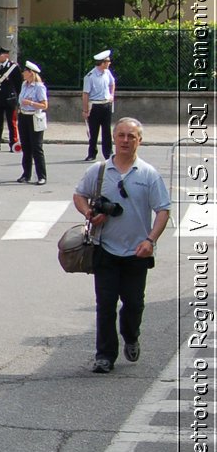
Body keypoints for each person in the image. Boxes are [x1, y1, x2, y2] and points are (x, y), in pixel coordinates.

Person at [72, 118, 171, 373]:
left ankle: (131, 335)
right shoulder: (99, 171)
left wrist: (150, 240)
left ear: (140, 140)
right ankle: (104, 356)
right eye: (121, 136)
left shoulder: (148, 174)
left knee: (134, 303)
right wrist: (88, 213)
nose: (126, 140)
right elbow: (79, 195)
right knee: (105, 303)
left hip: (137, 251)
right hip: (104, 248)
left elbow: (163, 210)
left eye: (131, 136)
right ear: (114, 138)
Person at [17, 61, 50, 185]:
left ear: (31, 73)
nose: (23, 73)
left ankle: (41, 176)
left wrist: (30, 103)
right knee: (26, 147)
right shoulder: (24, 85)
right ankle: (26, 174)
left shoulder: (39, 87)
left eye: (25, 71)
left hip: (34, 117)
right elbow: (21, 100)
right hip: (23, 116)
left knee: (37, 147)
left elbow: (44, 105)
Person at [83, 49, 117, 161]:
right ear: (102, 62)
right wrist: (85, 110)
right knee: (93, 131)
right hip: (95, 105)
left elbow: (112, 84)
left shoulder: (107, 73)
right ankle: (92, 153)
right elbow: (85, 94)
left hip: (106, 104)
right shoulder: (90, 76)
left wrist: (112, 95)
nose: (109, 63)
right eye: (108, 61)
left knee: (107, 130)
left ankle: (108, 153)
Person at [0, 46, 22, 151]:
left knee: (11, 122)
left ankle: (13, 143)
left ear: (6, 55)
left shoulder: (14, 67)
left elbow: (18, 84)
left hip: (9, 98)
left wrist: (18, 98)